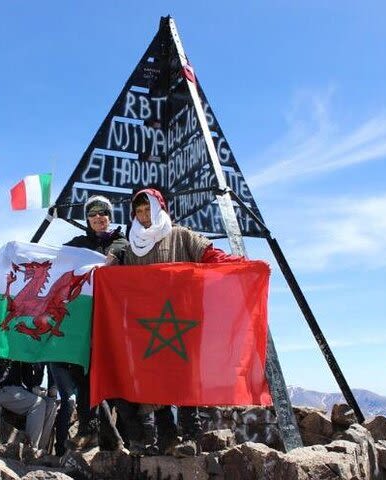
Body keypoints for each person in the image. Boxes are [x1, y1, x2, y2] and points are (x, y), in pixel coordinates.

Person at [122, 188, 243, 457]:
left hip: (182, 319)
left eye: (147, 210)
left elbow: (211, 256)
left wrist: (240, 265)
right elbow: (121, 283)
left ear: (159, 208)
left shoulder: (180, 235)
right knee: (157, 381)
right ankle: (166, 438)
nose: (143, 216)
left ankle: (190, 436)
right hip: (149, 325)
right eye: (138, 211)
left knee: (186, 378)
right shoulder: (132, 246)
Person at [49, 195, 128, 455]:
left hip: (116, 320)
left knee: (117, 383)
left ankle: (122, 440)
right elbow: (55, 260)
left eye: (103, 213)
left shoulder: (123, 243)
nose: (98, 218)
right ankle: (88, 430)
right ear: (87, 219)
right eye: (93, 214)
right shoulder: (78, 245)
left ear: (110, 215)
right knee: (83, 375)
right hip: (85, 321)